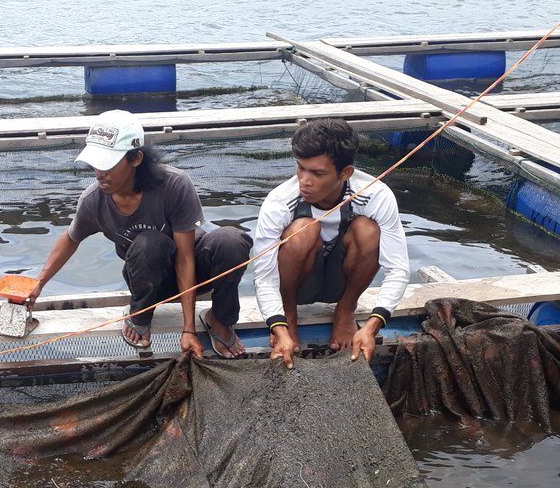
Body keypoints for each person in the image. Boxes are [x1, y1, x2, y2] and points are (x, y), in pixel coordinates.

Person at [26, 110, 252, 358]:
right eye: (96, 164)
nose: (100, 173)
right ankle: (141, 315)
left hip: (197, 274)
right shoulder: (94, 200)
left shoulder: (175, 184)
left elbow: (186, 257)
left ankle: (219, 319)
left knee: (231, 239)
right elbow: (71, 238)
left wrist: (189, 330)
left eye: (108, 164)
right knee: (149, 243)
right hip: (152, 282)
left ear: (135, 159)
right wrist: (38, 284)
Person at [252, 118, 410, 368]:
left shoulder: (376, 195)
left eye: (317, 173)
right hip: (299, 284)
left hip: (342, 280)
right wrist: (277, 324)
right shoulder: (279, 201)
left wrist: (372, 325)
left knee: (368, 230)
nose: (305, 180)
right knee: (302, 230)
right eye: (300, 168)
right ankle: (289, 317)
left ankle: (345, 311)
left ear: (345, 173)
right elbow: (263, 274)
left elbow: (398, 268)